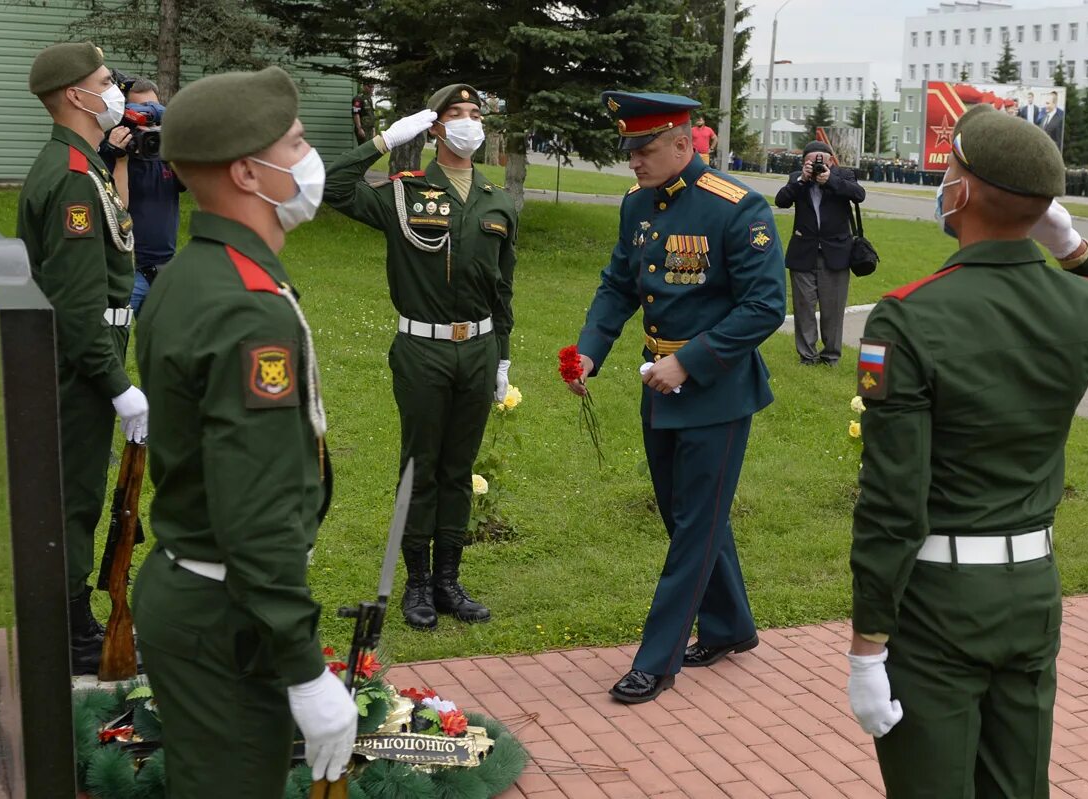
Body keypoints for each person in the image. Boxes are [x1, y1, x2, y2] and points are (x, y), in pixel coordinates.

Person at [846, 104, 1088, 798]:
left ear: (967, 192)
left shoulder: (909, 314)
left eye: (951, 169)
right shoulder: (1078, 306)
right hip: (1032, 590)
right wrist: (1073, 248)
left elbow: (895, 500)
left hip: (938, 603)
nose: (945, 181)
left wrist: (868, 642)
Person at [132, 66, 356, 796]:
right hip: (223, 617)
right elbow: (253, 508)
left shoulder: (191, 275)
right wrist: (303, 665)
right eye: (294, 144)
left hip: (196, 595)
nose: (309, 156)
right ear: (246, 172)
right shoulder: (246, 308)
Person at [567, 91, 785, 704]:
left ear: (684, 144)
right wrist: (590, 349)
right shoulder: (638, 204)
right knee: (686, 517)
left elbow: (766, 306)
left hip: (714, 392)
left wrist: (688, 363)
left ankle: (656, 661)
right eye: (629, 149)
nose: (633, 161)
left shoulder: (739, 208)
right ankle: (731, 626)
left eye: (645, 149)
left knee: (693, 527)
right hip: (657, 387)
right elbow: (617, 285)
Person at [324, 84, 516, 631]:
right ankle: (416, 585)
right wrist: (384, 140)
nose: (469, 123)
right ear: (434, 128)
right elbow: (335, 188)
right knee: (421, 468)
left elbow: (504, 290)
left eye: (476, 113)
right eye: (456, 115)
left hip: (477, 349)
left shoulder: (496, 199)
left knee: (458, 471)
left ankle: (449, 583)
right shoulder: (403, 193)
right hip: (422, 349)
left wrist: (502, 357)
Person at [17, 41, 148, 675]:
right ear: (76, 95)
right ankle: (70, 631)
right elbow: (77, 306)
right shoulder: (72, 176)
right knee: (75, 495)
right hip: (81, 362)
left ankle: (73, 618)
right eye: (104, 80)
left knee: (80, 491)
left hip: (89, 352)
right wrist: (118, 385)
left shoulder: (81, 163)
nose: (113, 89)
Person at [774, 140, 866, 367]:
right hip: (803, 251)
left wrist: (831, 181)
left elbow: (859, 195)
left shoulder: (843, 175)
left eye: (821, 160)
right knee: (804, 306)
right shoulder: (797, 177)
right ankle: (807, 356)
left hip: (836, 252)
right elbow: (781, 201)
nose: (816, 165)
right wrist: (801, 181)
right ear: (803, 162)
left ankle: (831, 355)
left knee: (832, 308)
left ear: (831, 161)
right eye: (810, 161)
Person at [99, 76, 183, 316]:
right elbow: (119, 206)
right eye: (141, 114)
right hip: (128, 270)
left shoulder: (164, 151)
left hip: (165, 268)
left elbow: (195, 184)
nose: (148, 122)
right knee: (113, 339)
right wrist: (121, 158)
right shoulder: (110, 153)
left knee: (167, 344)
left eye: (153, 113)